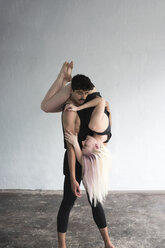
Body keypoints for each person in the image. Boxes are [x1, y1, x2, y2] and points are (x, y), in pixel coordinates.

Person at [41, 61, 115, 248]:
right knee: (68, 201)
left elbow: (106, 106)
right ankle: (62, 246)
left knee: (95, 201)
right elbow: (71, 147)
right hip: (75, 155)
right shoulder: (70, 111)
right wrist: (74, 178)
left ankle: (108, 243)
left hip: (88, 155)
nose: (82, 97)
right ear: (73, 92)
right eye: (78, 93)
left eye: (84, 93)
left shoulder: (96, 104)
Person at [64, 96, 112, 207]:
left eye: (82, 145)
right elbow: (102, 100)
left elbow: (83, 161)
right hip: (90, 96)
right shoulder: (94, 126)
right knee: (46, 107)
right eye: (85, 145)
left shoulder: (103, 143)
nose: (82, 142)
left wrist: (75, 143)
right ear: (96, 146)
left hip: (83, 100)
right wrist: (77, 108)